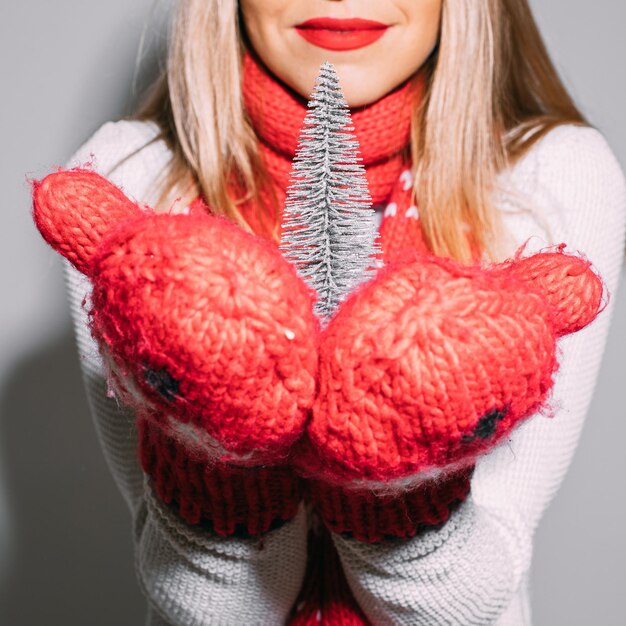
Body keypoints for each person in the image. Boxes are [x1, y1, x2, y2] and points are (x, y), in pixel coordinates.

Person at [59, 1, 626, 625]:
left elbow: (462, 609)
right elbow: (211, 610)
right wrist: (218, 440)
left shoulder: (550, 175)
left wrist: (388, 467)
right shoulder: (128, 177)